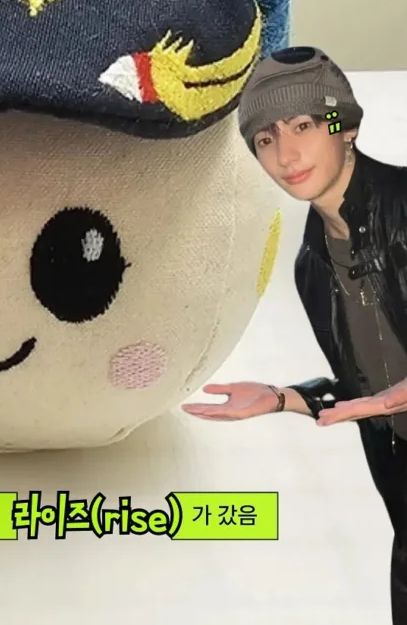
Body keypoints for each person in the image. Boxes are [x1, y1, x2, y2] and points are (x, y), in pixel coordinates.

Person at [181, 46, 407, 623]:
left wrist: (389, 400)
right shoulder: (313, 265)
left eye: (304, 125)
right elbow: (364, 389)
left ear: (344, 126)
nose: (286, 154)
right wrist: (283, 398)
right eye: (265, 139)